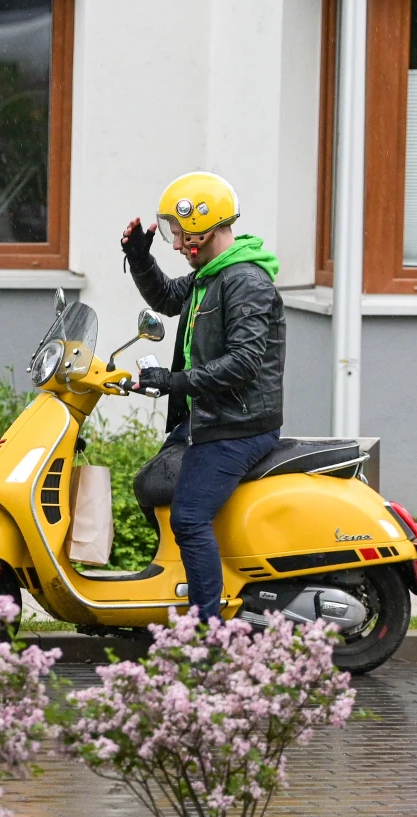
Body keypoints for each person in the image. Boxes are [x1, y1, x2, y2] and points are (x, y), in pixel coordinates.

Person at [120, 171, 286, 624]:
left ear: (204, 227)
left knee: (189, 518)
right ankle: (182, 581)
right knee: (150, 485)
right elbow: (168, 299)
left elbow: (244, 363)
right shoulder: (209, 277)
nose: (175, 244)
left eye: (178, 233)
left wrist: (172, 381)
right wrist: (140, 259)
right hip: (210, 418)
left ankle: (206, 631)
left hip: (239, 424)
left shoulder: (244, 282)